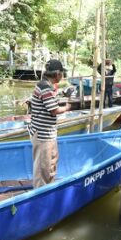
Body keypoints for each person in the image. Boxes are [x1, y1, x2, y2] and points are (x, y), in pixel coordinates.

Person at [29, 59, 71, 188]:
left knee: (51, 163)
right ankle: (40, 195)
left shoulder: (46, 85)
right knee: (42, 169)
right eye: (62, 73)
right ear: (57, 73)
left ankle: (49, 188)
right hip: (42, 134)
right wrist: (67, 107)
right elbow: (54, 110)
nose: (62, 75)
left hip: (48, 133)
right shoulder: (45, 87)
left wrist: (61, 94)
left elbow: (50, 100)